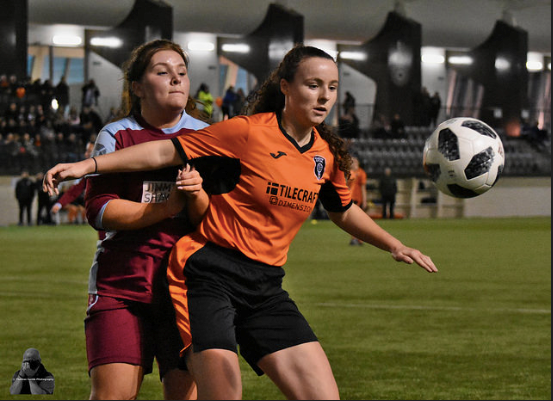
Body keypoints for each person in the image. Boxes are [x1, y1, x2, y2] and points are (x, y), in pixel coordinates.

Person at [44, 44, 437, 400]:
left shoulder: (326, 155)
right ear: (286, 87)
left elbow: (343, 210)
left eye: (332, 87)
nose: (324, 96)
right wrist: (87, 166)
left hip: (265, 285)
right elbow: (164, 152)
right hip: (207, 276)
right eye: (313, 85)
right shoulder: (246, 132)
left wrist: (394, 244)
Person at [57, 39, 211, 400]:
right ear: (138, 87)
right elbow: (99, 210)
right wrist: (165, 208)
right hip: (121, 286)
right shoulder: (116, 134)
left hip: (187, 288)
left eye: (182, 72)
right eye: (163, 72)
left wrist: (197, 195)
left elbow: (215, 220)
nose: (176, 79)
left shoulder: (207, 137)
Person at [347, 157, 367, 245]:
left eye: (355, 161)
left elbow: (363, 188)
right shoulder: (349, 173)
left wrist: (364, 200)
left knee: (357, 220)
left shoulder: (361, 173)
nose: (353, 163)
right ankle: (356, 238)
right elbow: (347, 186)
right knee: (352, 220)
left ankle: (358, 239)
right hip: (350, 198)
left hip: (357, 199)